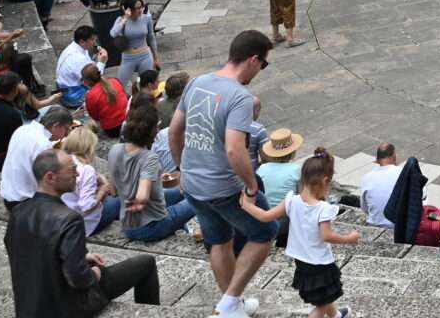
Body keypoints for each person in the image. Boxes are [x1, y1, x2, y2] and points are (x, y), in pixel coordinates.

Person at [169, 29, 278, 316]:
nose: (261, 69)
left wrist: (181, 169)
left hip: (193, 184)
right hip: (223, 187)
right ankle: (229, 302)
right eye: (264, 64)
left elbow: (174, 131)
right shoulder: (241, 97)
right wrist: (251, 186)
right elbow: (234, 149)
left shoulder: (198, 82)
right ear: (253, 60)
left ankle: (234, 306)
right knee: (266, 231)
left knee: (219, 240)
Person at [7, 148, 162, 318]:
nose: (77, 174)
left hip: (29, 308)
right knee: (146, 262)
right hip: (68, 309)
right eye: (72, 170)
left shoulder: (18, 212)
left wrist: (79, 255)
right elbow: (78, 278)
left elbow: (26, 251)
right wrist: (95, 274)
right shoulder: (69, 219)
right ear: (50, 177)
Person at [237, 150, 360, 318]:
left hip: (301, 261)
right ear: (325, 181)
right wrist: (348, 239)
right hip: (320, 262)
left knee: (324, 296)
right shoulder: (323, 209)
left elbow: (266, 216)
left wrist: (246, 205)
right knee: (322, 304)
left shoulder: (291, 201)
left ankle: (337, 315)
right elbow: (326, 236)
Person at [111, 108, 199, 242]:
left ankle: (183, 227)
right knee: (201, 198)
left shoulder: (116, 150)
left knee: (184, 190)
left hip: (128, 223)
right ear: (152, 131)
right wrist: (140, 201)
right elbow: (142, 196)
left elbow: (113, 188)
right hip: (150, 227)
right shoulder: (149, 159)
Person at [3, 104, 75, 208]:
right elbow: (51, 179)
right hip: (24, 201)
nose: (67, 134)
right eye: (66, 129)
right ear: (56, 126)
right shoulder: (43, 144)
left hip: (8, 193)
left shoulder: (23, 129)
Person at [109, 0, 157, 89]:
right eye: (137, 8)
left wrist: (156, 57)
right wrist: (125, 18)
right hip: (128, 57)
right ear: (129, 9)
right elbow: (113, 33)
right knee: (119, 85)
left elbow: (151, 37)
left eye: (141, 7)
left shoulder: (146, 18)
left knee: (147, 85)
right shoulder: (121, 20)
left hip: (145, 56)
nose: (140, 10)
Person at [54, 25, 103, 108]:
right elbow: (95, 78)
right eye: (92, 40)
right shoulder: (79, 59)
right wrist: (102, 62)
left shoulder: (74, 46)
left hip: (65, 85)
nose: (95, 43)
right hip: (71, 94)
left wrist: (94, 61)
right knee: (104, 92)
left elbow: (87, 66)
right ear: (82, 41)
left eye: (95, 39)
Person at [359, 143, 403, 226]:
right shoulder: (403, 173)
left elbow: (364, 208)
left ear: (377, 159)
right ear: (394, 156)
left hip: (375, 224)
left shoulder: (367, 177)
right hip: (400, 226)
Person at [78, 66, 128, 139]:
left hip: (113, 130)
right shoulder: (114, 80)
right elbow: (124, 95)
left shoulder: (90, 95)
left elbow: (95, 117)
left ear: (87, 81)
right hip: (128, 120)